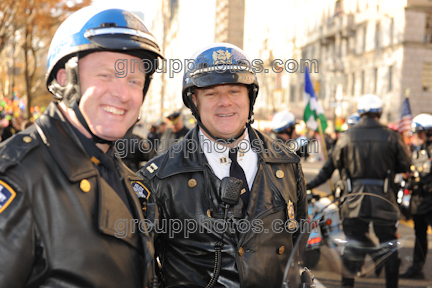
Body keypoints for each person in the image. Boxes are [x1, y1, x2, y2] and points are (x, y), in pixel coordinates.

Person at [0, 7, 164, 287]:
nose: (123, 94)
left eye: (134, 81)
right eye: (106, 75)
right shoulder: (19, 174)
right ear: (65, 80)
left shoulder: (135, 184)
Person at [137, 43, 308, 287]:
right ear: (194, 101)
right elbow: (145, 272)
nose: (225, 103)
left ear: (250, 97)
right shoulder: (158, 178)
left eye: (234, 91)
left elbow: (298, 242)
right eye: (212, 93)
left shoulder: (287, 162)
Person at [331, 94, 411, 288]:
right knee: (389, 246)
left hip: (354, 198)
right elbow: (405, 164)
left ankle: (347, 285)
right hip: (383, 198)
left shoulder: (346, 136)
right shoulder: (391, 135)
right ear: (379, 113)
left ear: (360, 112)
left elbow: (334, 164)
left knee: (351, 246)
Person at [400, 113, 432, 279]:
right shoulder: (418, 150)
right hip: (419, 200)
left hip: (430, 199)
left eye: (421, 132)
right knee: (420, 235)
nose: (418, 136)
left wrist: (419, 177)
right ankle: (416, 267)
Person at [306, 112, 360, 193]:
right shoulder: (343, 143)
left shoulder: (344, 142)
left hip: (350, 196)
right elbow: (327, 169)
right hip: (350, 192)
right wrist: (309, 185)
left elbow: (327, 170)